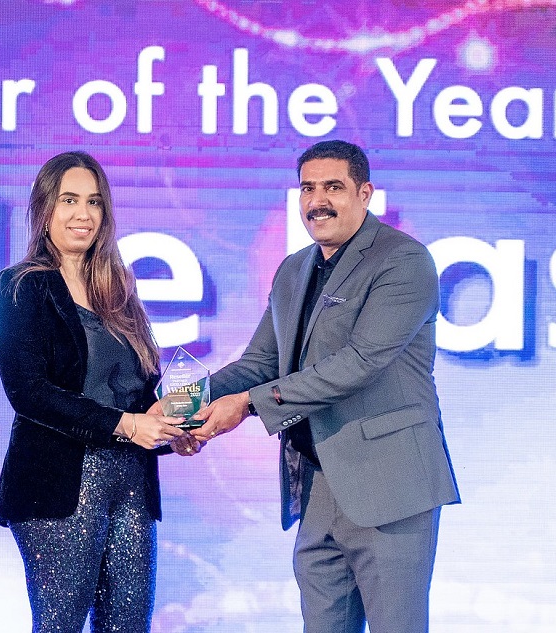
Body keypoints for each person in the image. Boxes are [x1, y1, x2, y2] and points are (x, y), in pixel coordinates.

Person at [188, 140, 460, 632]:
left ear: (365, 193)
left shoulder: (404, 261)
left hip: (390, 487)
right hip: (315, 486)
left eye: (333, 187)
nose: (318, 201)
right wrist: (189, 401)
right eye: (307, 188)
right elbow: (261, 362)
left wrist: (247, 406)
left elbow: (360, 363)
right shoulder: (294, 269)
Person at [0, 151, 199, 633]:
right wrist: (128, 425)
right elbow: (29, 392)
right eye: (68, 200)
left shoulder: (118, 289)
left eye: (94, 202)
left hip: (132, 484)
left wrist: (171, 428)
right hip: (60, 485)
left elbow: (137, 394)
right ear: (44, 208)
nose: (83, 214)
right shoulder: (21, 287)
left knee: (129, 625)